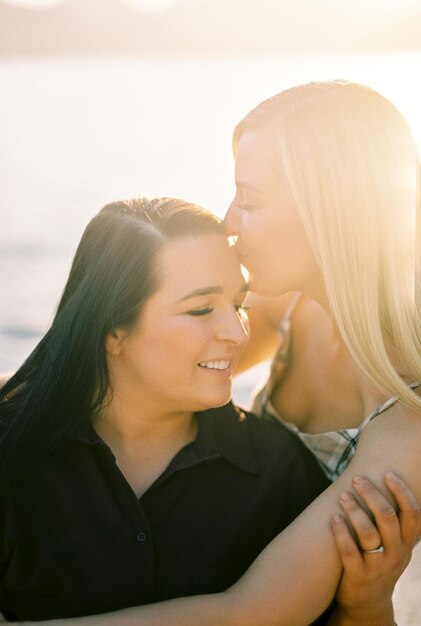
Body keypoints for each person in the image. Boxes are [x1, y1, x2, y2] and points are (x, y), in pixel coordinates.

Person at [5, 82, 421, 626]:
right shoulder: (289, 301)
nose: (228, 221)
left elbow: (256, 610)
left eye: (249, 200)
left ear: (329, 210)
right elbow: (145, 364)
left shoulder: (408, 418)